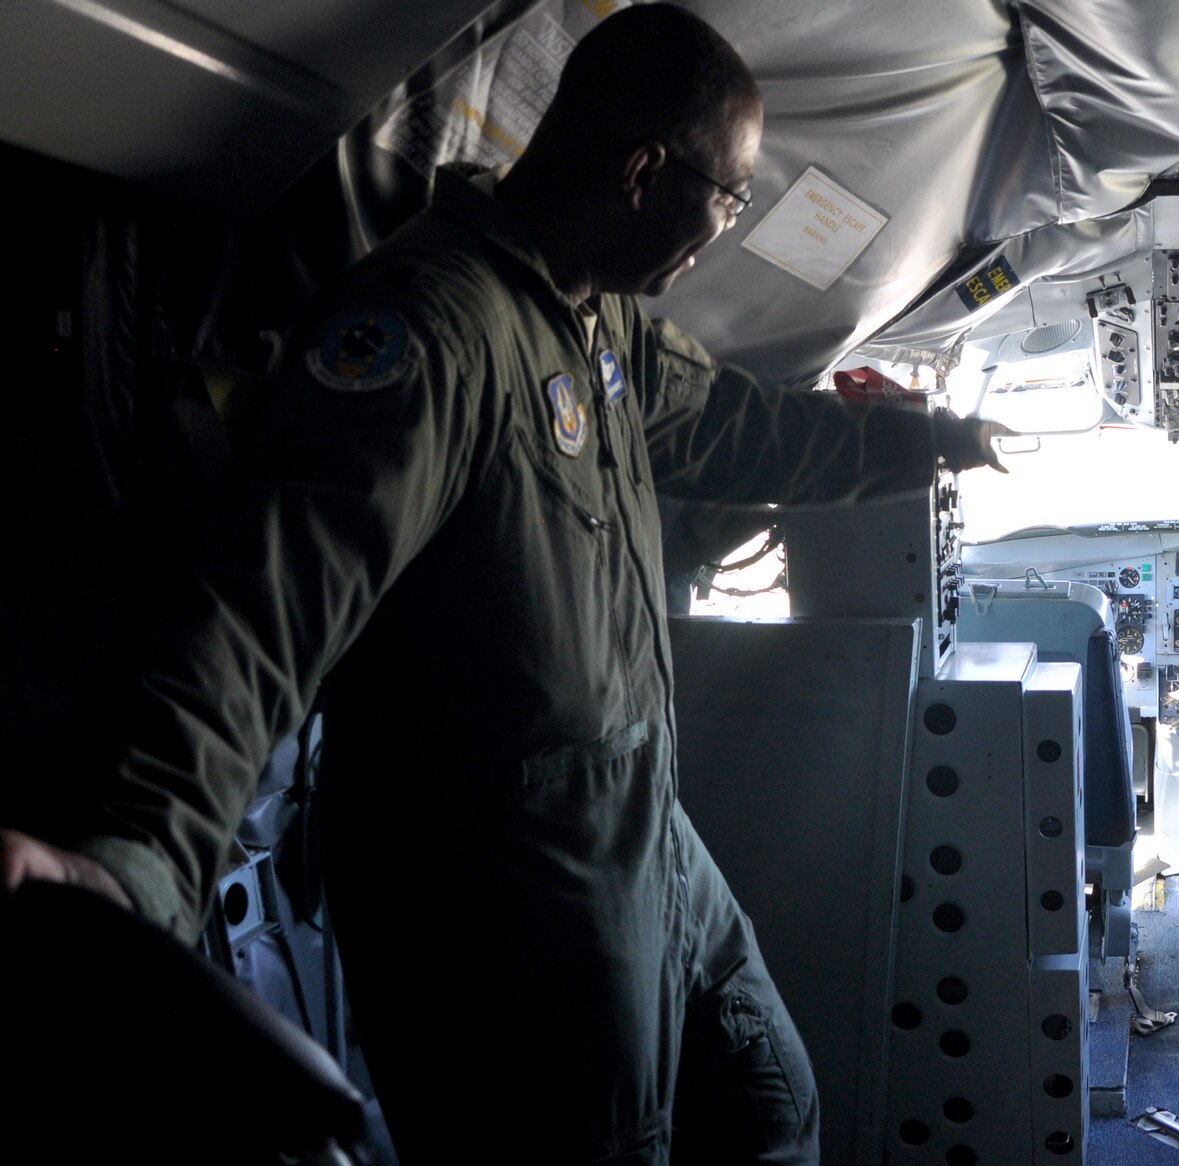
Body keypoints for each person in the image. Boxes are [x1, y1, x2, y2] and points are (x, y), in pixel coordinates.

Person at [0, 6, 1005, 1163]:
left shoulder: (600, 322)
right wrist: (135, 855)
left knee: (771, 1106)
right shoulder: (431, 334)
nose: (724, 232)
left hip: (643, 834)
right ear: (643, 173)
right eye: (727, 198)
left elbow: (743, 429)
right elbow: (261, 601)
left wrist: (928, 441)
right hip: (508, 900)